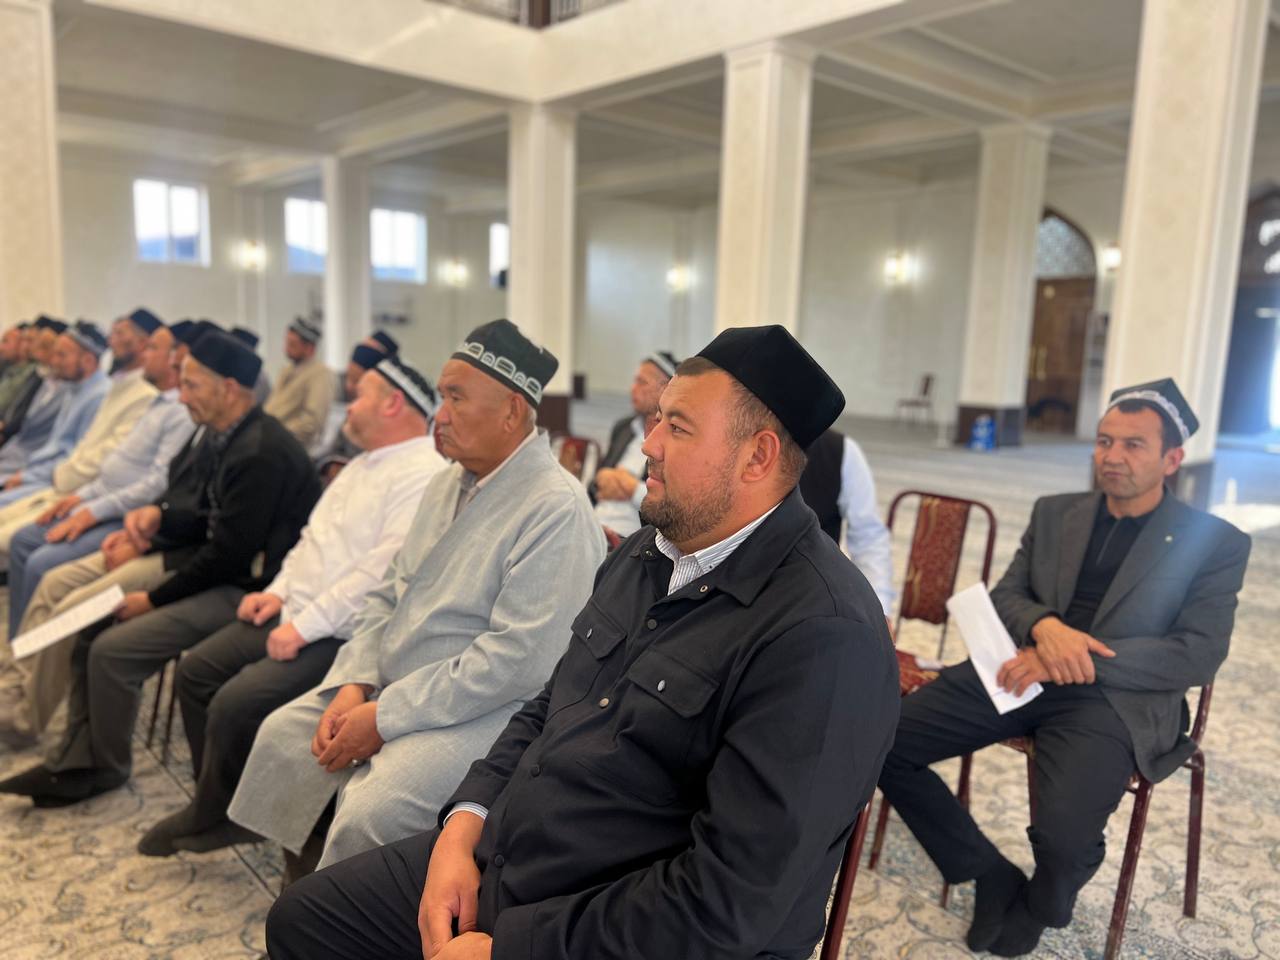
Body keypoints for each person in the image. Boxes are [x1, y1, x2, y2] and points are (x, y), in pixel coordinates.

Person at [264, 324, 900, 960]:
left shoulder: (823, 636)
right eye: (657, 419)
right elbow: (548, 703)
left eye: (678, 428)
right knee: (306, 921)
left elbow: (728, 905)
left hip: (620, 927)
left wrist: (512, 949)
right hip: (521, 858)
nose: (648, 444)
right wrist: (465, 823)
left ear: (757, 457)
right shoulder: (650, 553)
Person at [875, 378, 1251, 957]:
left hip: (1113, 699)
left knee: (1063, 840)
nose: (1112, 456)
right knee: (881, 742)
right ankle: (987, 872)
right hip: (1018, 668)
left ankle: (1043, 904)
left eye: (1133, 445)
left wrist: (1068, 660)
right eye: (1104, 441)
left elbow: (1198, 652)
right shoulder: (1056, 513)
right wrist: (1047, 628)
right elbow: (1008, 595)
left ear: (1172, 460)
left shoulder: (1214, 542)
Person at [227, 319, 605, 876]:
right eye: (441, 396)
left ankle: (345, 910)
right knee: (284, 738)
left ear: (511, 412)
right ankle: (308, 895)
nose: (439, 415)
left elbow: (518, 663)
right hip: (394, 681)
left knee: (373, 811)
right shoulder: (446, 482)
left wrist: (385, 716)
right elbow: (387, 592)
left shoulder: (556, 508)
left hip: (488, 711)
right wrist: (355, 682)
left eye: (455, 398)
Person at [136, 356, 447, 857]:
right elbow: (310, 540)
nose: (349, 407)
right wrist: (278, 592)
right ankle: (219, 802)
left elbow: (376, 577)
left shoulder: (423, 474)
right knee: (195, 672)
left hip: (341, 633)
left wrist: (303, 627)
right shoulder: (361, 464)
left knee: (235, 703)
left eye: (359, 396)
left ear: (393, 403)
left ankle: (230, 814)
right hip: (295, 613)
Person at [0, 331, 320, 805]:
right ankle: (73, 757)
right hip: (209, 569)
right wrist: (159, 520)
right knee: (87, 625)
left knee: (108, 646)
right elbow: (204, 517)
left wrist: (152, 600)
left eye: (192, 385)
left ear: (229, 388)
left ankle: (101, 766)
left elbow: (228, 556)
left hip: (249, 591)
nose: (182, 396)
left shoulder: (260, 451)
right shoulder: (225, 433)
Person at [5, 322, 192, 636]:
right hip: (95, 494)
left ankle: (29, 653)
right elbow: (110, 464)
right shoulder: (157, 401)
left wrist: (92, 509)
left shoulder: (178, 411)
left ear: (177, 356)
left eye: (152, 347)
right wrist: (81, 497)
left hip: (123, 514)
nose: (145, 354)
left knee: (42, 563)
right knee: (24, 540)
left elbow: (156, 484)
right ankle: (17, 645)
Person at [0, 311, 160, 548]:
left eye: (61, 354)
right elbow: (82, 446)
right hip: (61, 478)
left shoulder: (123, 393)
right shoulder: (91, 387)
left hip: (75, 484)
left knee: (16, 540)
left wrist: (40, 478)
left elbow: (103, 461)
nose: (53, 360)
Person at [0, 321, 112, 503]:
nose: (54, 362)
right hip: (36, 470)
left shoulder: (99, 397)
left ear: (88, 360)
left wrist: (27, 476)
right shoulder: (74, 389)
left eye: (62, 355)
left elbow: (75, 459)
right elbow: (55, 446)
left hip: (56, 482)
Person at [797, 429, 895, 614]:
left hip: (814, 606)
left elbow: (868, 539)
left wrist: (879, 610)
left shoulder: (840, 451)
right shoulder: (739, 440)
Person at [592, 351, 677, 538]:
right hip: (595, 526)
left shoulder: (675, 436)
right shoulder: (624, 428)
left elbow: (672, 505)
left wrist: (632, 489)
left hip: (632, 540)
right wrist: (604, 477)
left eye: (642, 382)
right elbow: (596, 484)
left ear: (665, 389)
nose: (633, 388)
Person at [264, 317, 334, 449]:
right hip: (271, 441)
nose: (286, 349)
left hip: (293, 447)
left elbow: (311, 423)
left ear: (309, 348)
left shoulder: (320, 374)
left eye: (292, 344)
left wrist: (276, 435)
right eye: (287, 342)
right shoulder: (287, 370)